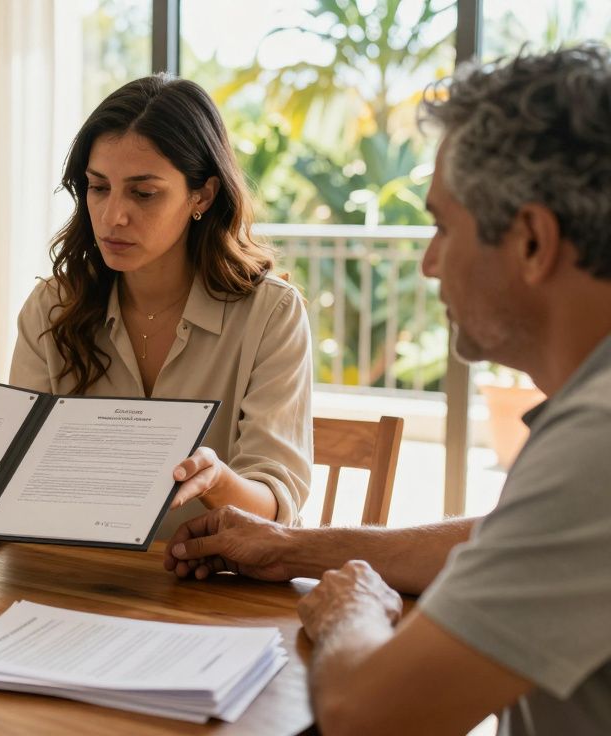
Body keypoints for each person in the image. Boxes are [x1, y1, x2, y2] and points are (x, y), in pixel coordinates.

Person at [165, 45, 611, 736]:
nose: (429, 264)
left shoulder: (599, 443)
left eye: (440, 225)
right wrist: (289, 546)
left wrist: (353, 611)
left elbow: (363, 712)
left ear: (531, 241)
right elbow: (503, 538)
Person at [0, 75, 312, 558]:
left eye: (144, 193)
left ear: (202, 195)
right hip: (72, 581)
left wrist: (215, 480)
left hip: (212, 591)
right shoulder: (51, 308)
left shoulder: (271, 314)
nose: (113, 215)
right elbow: (15, 484)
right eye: (98, 187)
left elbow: (276, 510)